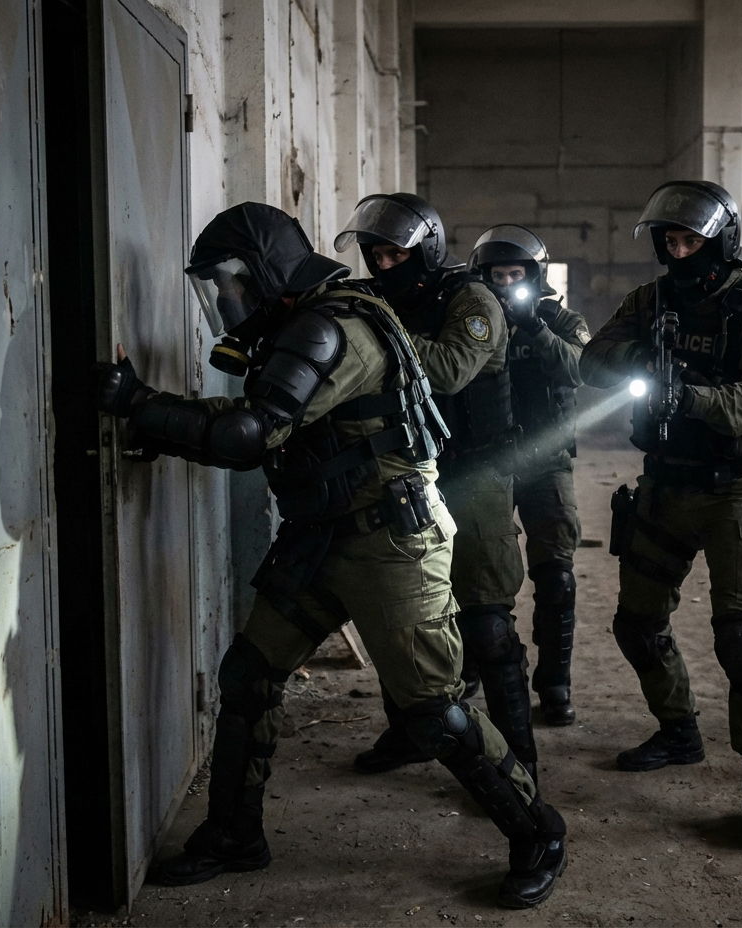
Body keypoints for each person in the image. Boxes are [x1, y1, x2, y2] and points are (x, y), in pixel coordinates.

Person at [91, 202, 566, 907]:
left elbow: (252, 434)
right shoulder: (304, 323)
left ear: (268, 272)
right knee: (249, 676)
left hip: (389, 541)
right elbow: (265, 424)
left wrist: (140, 406)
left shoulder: (329, 328)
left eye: (233, 280)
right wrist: (152, 412)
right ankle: (233, 834)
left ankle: (538, 830)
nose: (226, 297)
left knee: (432, 710)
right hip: (322, 532)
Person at [578, 180, 742, 846]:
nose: (677, 252)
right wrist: (649, 358)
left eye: (689, 240)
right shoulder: (649, 302)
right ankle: (678, 731)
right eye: (669, 241)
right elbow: (593, 359)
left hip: (737, 489)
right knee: (637, 624)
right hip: (667, 483)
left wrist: (694, 398)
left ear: (720, 241)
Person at [331, 193, 540, 779]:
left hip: (473, 473)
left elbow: (449, 370)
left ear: (425, 250)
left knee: (487, 622)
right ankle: (410, 734)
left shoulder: (470, 299)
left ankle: (518, 761)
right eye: (375, 255)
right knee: (401, 613)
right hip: (402, 476)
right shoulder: (371, 301)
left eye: (395, 254)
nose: (383, 265)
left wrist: (372, 339)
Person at [468, 224, 591, 726]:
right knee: (475, 578)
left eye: (515, 275)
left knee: (556, 576)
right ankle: (472, 667)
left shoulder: (561, 321)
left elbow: (580, 370)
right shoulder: (470, 321)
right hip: (487, 463)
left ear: (534, 276)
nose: (506, 285)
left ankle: (555, 683)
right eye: (497, 276)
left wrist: (535, 328)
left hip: (546, 462)